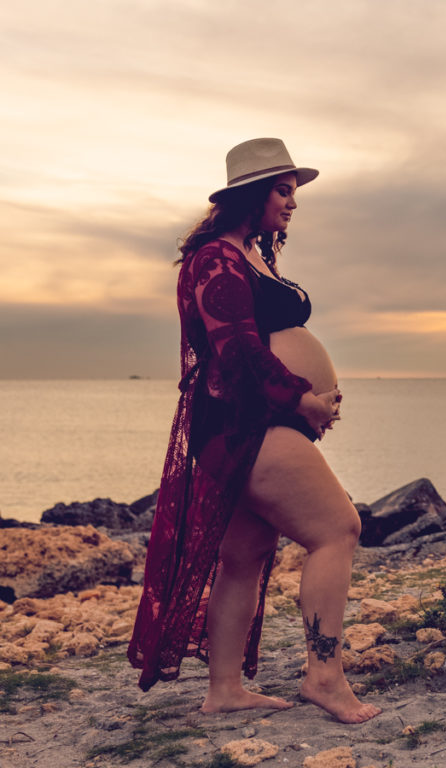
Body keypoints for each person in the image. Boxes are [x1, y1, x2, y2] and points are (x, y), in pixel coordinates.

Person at [128, 138, 381, 724]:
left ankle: (225, 690)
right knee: (338, 529)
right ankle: (324, 677)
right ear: (251, 194)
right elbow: (236, 351)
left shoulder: (249, 253)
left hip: (251, 424)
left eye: (294, 191)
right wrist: (302, 399)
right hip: (244, 424)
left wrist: (307, 403)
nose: (292, 202)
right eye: (283, 190)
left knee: (245, 553)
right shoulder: (216, 258)